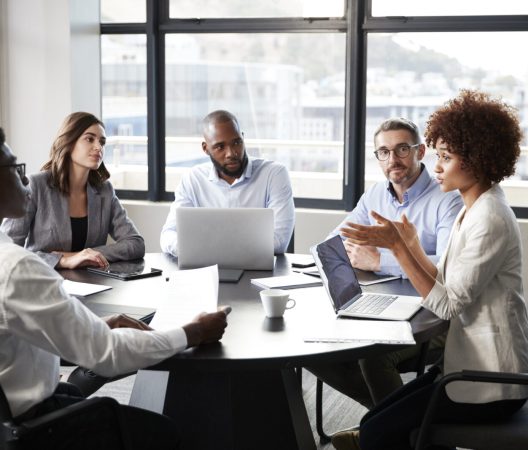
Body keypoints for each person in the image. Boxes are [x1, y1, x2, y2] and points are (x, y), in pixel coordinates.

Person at [0, 126, 230, 449]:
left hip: (11, 411)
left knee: (80, 388)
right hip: (34, 424)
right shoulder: (16, 267)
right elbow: (107, 354)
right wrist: (193, 332)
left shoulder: (101, 191)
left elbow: (15, 333)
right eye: (16, 168)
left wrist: (88, 325)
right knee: (169, 433)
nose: (25, 179)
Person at [331, 90, 528, 450]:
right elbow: (446, 278)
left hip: (490, 382)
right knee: (375, 421)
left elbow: (447, 305)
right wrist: (411, 247)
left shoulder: (490, 218)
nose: (436, 167)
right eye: (438, 155)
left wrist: (398, 250)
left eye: (447, 157)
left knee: (377, 432)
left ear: (479, 160)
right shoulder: (475, 206)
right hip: (464, 365)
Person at [308, 118, 463, 409]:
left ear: (420, 151)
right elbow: (335, 242)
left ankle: (391, 425)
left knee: (374, 354)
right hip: (384, 304)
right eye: (384, 152)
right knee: (311, 346)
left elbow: (446, 267)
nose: (393, 159)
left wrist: (381, 261)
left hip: (437, 319)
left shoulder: (447, 199)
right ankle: (393, 420)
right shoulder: (376, 194)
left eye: (402, 149)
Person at [1, 112, 145, 270]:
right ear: (68, 143)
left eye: (102, 142)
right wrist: (61, 260)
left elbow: (136, 243)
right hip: (43, 282)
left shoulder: (105, 191)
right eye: (90, 139)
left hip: (94, 285)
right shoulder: (36, 185)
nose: (98, 147)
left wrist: (85, 254)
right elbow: (7, 251)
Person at [160, 110, 295, 255]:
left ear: (243, 138)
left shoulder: (274, 174)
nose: (231, 153)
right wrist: (196, 251)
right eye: (220, 147)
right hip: (207, 269)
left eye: (236, 142)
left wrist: (206, 249)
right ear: (206, 149)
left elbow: (279, 241)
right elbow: (168, 235)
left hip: (259, 273)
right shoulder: (192, 179)